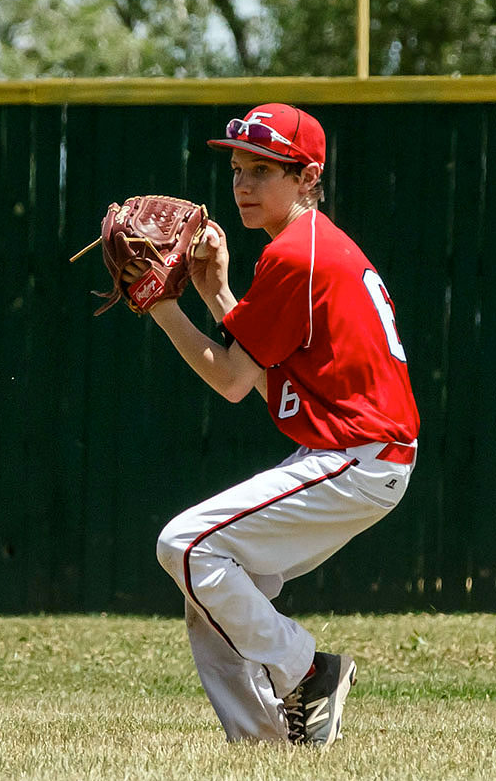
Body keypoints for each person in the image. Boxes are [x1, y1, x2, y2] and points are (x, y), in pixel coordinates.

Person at [123, 103, 419, 747]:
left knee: (188, 546)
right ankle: (265, 744)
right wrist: (213, 293)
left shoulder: (296, 256)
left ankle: (308, 670)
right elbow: (263, 370)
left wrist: (162, 306)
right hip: (359, 454)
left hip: (358, 458)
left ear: (307, 176)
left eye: (265, 169)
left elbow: (230, 381)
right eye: (237, 169)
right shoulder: (310, 247)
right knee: (218, 585)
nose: (245, 185)